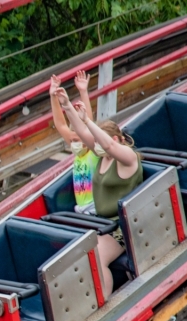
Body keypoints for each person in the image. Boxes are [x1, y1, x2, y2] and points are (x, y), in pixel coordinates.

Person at [56, 88, 143, 299]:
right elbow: (85, 136)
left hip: (120, 227)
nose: (96, 147)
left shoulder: (128, 158)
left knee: (96, 257)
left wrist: (88, 119)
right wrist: (68, 107)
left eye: (102, 141)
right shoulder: (102, 155)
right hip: (99, 223)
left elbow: (109, 144)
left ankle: (103, 303)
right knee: (70, 253)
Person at [49, 70, 97, 212]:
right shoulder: (78, 154)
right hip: (81, 208)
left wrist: (83, 92)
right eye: (73, 140)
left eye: (78, 139)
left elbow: (87, 123)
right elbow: (60, 124)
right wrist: (53, 96)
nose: (74, 143)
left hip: (94, 206)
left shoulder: (93, 152)